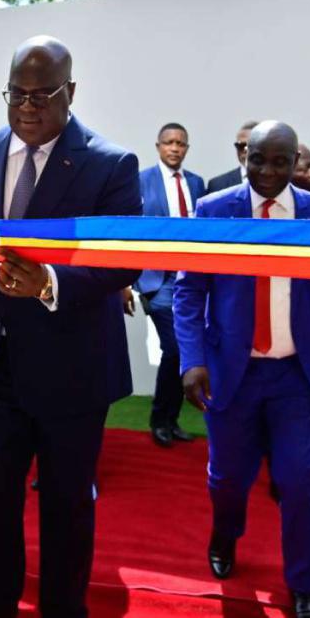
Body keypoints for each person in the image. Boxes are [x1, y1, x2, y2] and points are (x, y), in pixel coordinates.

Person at [0, 35, 141, 618]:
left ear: (70, 92)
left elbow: (125, 257)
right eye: (17, 94)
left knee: (66, 508)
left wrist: (50, 282)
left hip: (71, 372)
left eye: (42, 95)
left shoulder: (110, 163)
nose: (27, 107)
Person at [175, 121, 310, 618]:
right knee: (227, 480)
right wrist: (193, 360)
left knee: (301, 478)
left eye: (279, 161)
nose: (267, 170)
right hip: (231, 374)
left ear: (294, 161)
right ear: (245, 156)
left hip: (299, 377)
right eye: (257, 159)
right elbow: (189, 291)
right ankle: (226, 532)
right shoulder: (214, 210)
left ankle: (304, 585)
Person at [133, 122, 205, 447]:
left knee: (181, 352)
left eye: (181, 143)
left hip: (189, 279)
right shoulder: (141, 181)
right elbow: (130, 231)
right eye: (169, 142)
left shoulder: (196, 183)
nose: (175, 148)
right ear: (158, 146)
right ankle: (160, 420)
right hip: (156, 281)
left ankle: (169, 420)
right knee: (176, 348)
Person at [206, 119, 258, 194]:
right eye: (240, 146)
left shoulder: (278, 182)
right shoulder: (218, 186)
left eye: (250, 145)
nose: (245, 150)